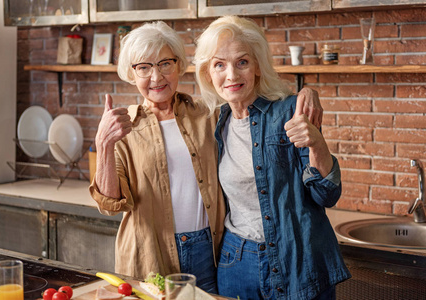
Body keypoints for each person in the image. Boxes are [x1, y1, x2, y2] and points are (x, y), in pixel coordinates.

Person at [89, 20, 322, 294]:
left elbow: (251, 93)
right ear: (132, 73)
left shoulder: (209, 112)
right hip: (150, 253)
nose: (156, 77)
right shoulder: (123, 126)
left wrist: (305, 95)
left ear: (178, 65)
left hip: (210, 252)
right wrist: (103, 144)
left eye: (165, 63)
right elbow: (110, 205)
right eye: (144, 67)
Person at [194, 15, 351, 300]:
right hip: (237, 262)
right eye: (219, 65)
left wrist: (317, 144)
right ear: (208, 74)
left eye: (242, 62)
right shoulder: (213, 121)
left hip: (298, 261)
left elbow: (327, 195)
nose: (231, 75)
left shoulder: (290, 111)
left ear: (256, 67)